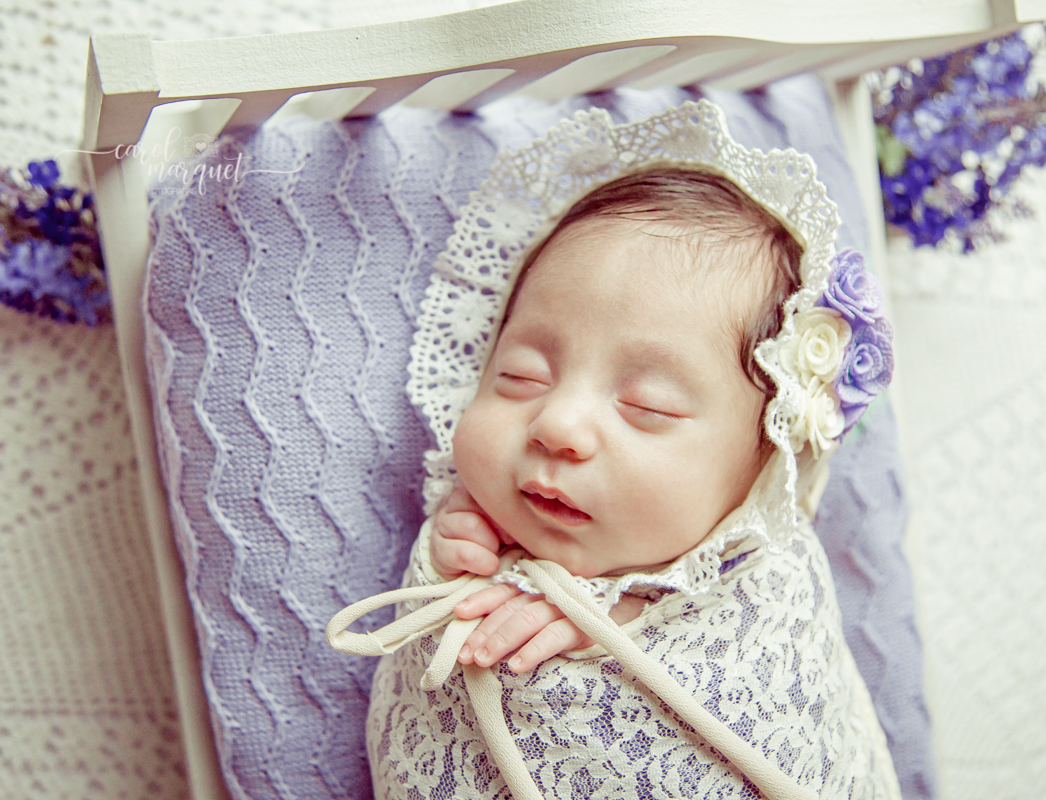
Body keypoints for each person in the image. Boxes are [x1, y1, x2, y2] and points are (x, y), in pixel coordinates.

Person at [328, 102, 899, 800]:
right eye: (522, 376)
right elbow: (422, 704)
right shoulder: (474, 524)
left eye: (647, 407)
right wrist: (452, 569)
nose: (557, 424)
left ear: (759, 471)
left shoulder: (765, 584)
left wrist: (616, 623)